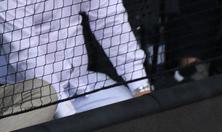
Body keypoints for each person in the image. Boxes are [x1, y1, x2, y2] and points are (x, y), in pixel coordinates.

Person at [0, 0, 150, 119]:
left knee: (137, 119)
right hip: (27, 99)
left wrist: (140, 87)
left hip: (81, 83)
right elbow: (25, 54)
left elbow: (110, 18)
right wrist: (69, 118)